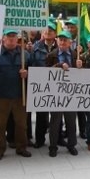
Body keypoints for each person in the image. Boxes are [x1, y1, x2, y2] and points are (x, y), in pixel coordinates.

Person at [0, 29, 31, 161]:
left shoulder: (25, 55)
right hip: (1, 97)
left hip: (20, 96)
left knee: (21, 125)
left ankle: (21, 147)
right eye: (9, 37)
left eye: (13, 37)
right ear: (3, 38)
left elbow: (35, 73)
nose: (11, 39)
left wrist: (27, 74)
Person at [46, 30, 79, 156]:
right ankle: (53, 146)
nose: (62, 42)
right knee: (55, 122)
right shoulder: (51, 55)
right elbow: (45, 72)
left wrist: (80, 66)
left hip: (71, 94)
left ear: (70, 42)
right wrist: (59, 65)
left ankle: (72, 145)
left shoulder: (76, 55)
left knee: (71, 121)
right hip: (56, 94)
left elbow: (83, 75)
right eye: (60, 39)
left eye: (65, 40)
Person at [30, 19, 58, 148]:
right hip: (41, 87)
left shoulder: (62, 46)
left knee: (56, 115)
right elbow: (31, 64)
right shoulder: (35, 47)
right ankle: (39, 140)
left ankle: (57, 139)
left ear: (55, 33)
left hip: (58, 87)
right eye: (46, 30)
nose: (48, 32)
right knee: (41, 115)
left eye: (51, 30)